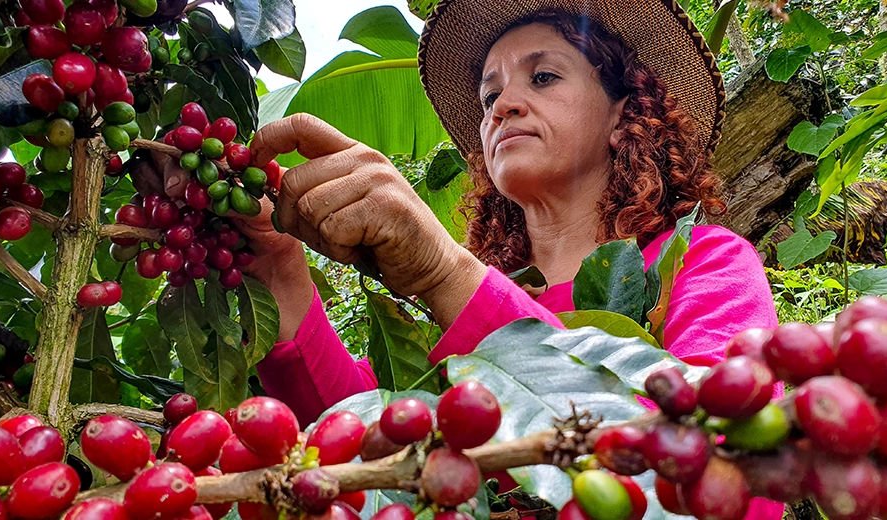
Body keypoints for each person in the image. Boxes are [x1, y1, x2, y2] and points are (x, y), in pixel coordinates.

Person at [162, 0, 781, 517]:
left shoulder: (701, 261)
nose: (503, 106)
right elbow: (364, 456)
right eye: (490, 96)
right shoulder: (478, 300)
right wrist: (280, 270)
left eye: (543, 77)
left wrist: (444, 274)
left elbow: (724, 478)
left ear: (624, 112)